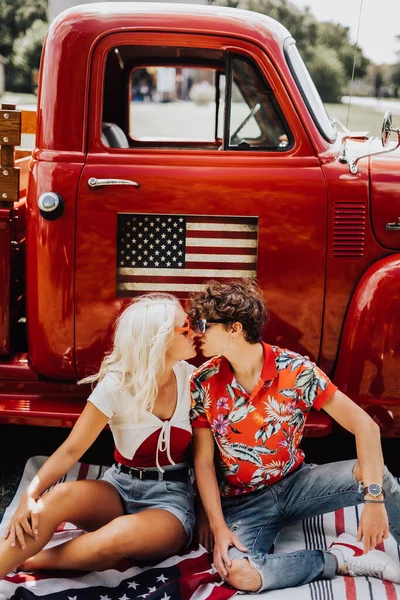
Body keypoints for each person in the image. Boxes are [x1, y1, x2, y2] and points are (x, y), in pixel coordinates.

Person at [188, 279, 400, 593]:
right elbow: (203, 462)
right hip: (243, 501)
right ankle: (340, 561)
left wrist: (373, 500)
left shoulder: (296, 371)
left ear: (234, 328)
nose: (196, 331)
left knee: (377, 475)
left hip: (297, 484)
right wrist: (218, 526)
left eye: (204, 324)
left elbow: (365, 426)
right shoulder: (203, 380)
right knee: (239, 574)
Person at [0, 293, 197, 579]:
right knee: (56, 498)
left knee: (117, 536)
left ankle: (34, 561)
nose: (196, 332)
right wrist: (27, 500)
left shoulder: (194, 382)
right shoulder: (116, 384)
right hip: (120, 486)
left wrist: (209, 520)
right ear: (159, 338)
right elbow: (71, 450)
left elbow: (209, 459)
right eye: (186, 327)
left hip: (170, 502)